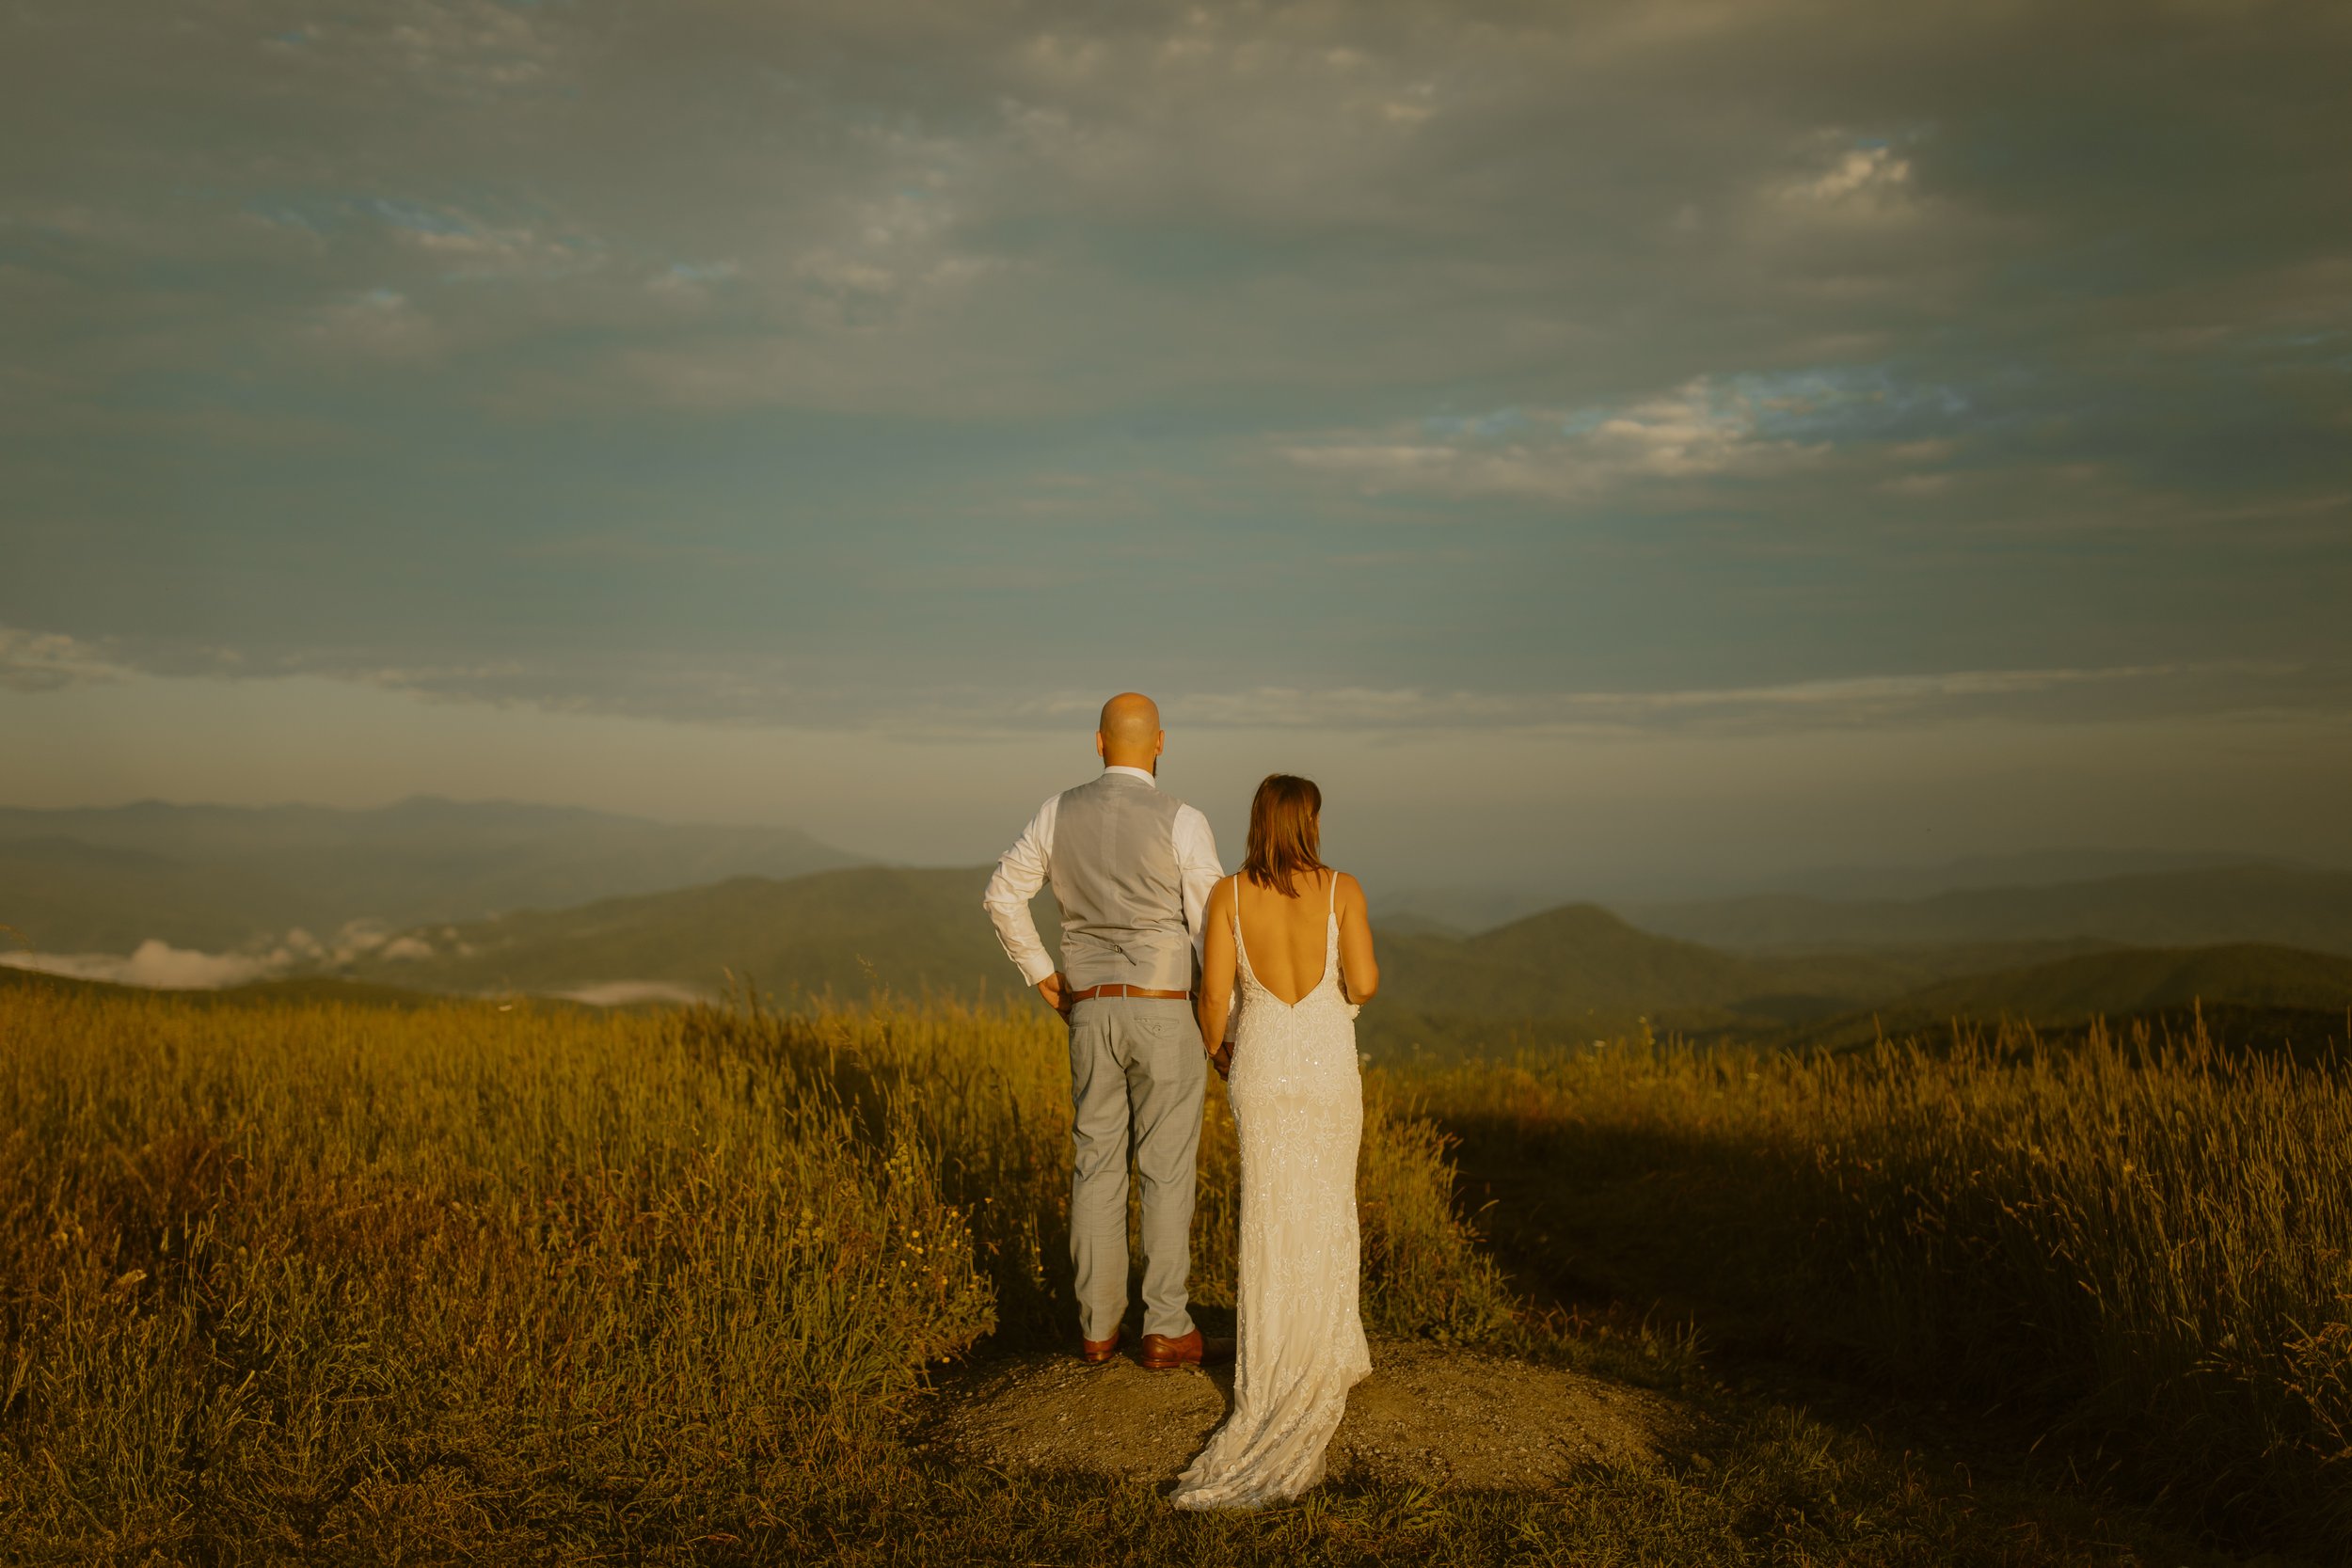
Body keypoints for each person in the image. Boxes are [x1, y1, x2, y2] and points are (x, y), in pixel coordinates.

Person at [982, 692, 1232, 1370]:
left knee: (1095, 1162)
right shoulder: (1183, 819)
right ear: (1160, 743)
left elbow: (1002, 893)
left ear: (1097, 743)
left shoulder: (1054, 812)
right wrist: (1225, 1021)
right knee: (1166, 1167)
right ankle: (1166, 1325)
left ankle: (1096, 1328)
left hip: (1088, 1004)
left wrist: (1042, 972)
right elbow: (1211, 925)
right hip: (1164, 1005)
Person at [1172, 772, 1378, 1510]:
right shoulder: (1343, 888)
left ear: (1258, 820)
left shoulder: (1227, 895)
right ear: (1310, 821)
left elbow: (1213, 999)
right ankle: (1329, 1347)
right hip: (1325, 1061)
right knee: (1326, 1204)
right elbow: (1365, 981)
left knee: (1270, 1212)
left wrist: (1223, 1052)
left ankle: (1273, 1365)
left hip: (1260, 1062)